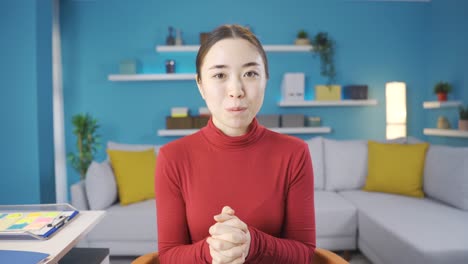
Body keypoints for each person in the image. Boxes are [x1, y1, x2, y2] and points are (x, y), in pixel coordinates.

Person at [155, 24, 316, 264]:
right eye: (220, 75)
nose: (236, 90)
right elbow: (168, 257)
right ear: (200, 84)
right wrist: (212, 252)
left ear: (266, 80)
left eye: (250, 74)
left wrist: (252, 244)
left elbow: (304, 253)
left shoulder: (295, 153)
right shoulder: (172, 158)